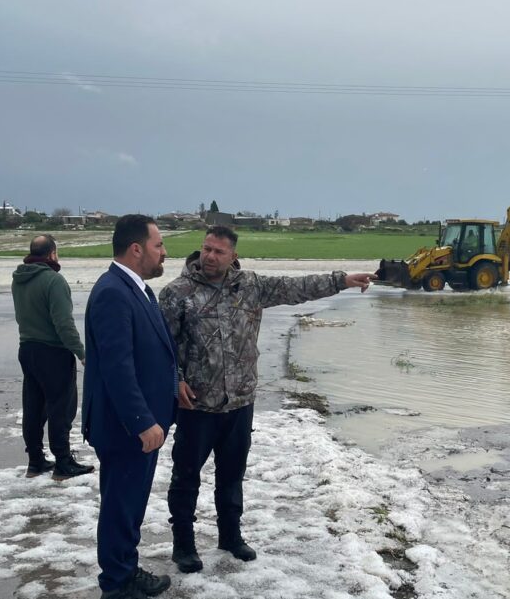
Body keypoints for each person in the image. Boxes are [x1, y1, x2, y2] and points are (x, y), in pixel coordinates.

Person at [159, 225, 375, 573]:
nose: (210, 257)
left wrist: (342, 280)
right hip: (197, 405)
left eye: (219, 252)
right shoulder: (177, 293)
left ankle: (231, 536)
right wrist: (175, 381)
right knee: (186, 477)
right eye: (206, 249)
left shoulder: (251, 287)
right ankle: (183, 543)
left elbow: (297, 288)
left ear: (233, 256)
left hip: (240, 402)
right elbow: (162, 346)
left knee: (232, 475)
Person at [82, 215, 177, 599]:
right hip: (126, 428)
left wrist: (174, 390)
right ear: (136, 249)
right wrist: (141, 421)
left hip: (144, 426)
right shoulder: (113, 294)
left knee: (132, 504)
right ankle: (115, 593)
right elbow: (118, 368)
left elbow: (152, 355)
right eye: (158, 245)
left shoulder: (138, 290)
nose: (164, 253)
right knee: (120, 506)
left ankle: (126, 567)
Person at [10, 234, 94, 480]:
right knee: (61, 408)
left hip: (27, 349)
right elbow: (64, 323)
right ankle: (63, 462)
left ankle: (35, 460)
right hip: (53, 352)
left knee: (33, 406)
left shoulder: (18, 279)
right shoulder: (53, 281)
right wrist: (81, 352)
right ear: (52, 254)